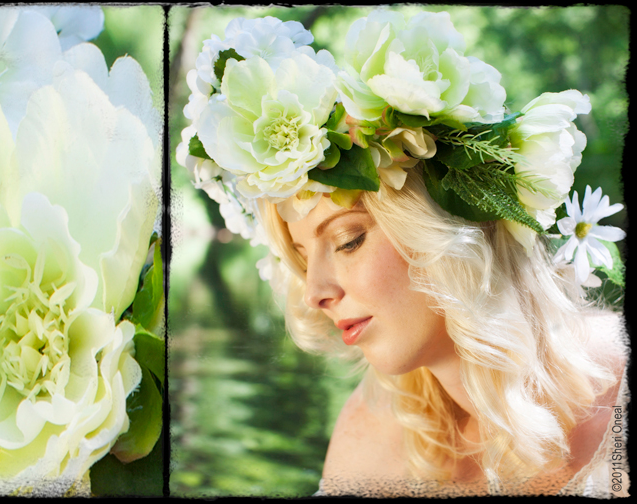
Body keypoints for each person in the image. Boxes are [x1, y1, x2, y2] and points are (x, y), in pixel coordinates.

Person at [177, 8, 628, 496]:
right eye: (304, 257)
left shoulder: (620, 389)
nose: (314, 293)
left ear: (446, 222)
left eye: (348, 240)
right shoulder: (370, 435)